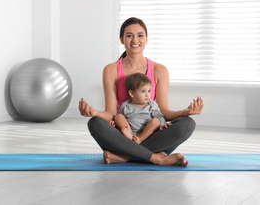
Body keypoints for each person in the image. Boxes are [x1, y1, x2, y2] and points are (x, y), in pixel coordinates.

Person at [79, 17, 203, 167]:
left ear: (146, 39)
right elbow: (111, 113)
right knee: (95, 123)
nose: (134, 40)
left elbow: (163, 111)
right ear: (121, 39)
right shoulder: (110, 70)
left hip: (153, 135)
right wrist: (95, 113)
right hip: (123, 135)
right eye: (129, 35)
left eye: (140, 35)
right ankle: (156, 158)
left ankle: (124, 156)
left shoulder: (160, 70)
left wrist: (185, 111)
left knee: (187, 124)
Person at [115, 73, 167, 144]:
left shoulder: (152, 104)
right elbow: (121, 120)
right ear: (132, 93)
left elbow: (159, 116)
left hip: (147, 133)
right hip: (130, 132)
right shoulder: (125, 105)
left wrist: (163, 125)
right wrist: (114, 122)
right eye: (143, 91)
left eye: (149, 91)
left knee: (156, 121)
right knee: (118, 116)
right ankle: (130, 136)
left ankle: (140, 139)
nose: (147, 95)